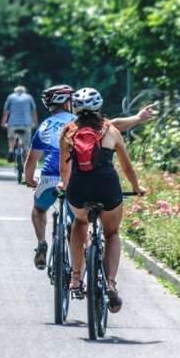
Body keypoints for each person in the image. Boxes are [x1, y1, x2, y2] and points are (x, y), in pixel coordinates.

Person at [25, 85, 154, 270]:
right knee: (80, 224)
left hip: (52, 179)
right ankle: (88, 263)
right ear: (68, 103)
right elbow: (114, 124)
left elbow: (32, 159)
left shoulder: (47, 126)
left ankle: (42, 242)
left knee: (39, 209)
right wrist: (138, 118)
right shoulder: (86, 124)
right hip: (84, 181)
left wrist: (30, 179)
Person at [58, 87, 145, 314]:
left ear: (74, 108)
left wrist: (65, 186)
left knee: (80, 223)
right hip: (107, 189)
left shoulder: (68, 131)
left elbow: (64, 169)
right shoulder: (111, 130)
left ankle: (76, 279)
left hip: (79, 189)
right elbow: (127, 167)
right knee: (112, 233)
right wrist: (136, 188)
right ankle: (110, 284)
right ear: (100, 107)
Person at [1, 85, 37, 161]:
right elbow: (33, 112)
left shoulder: (10, 97)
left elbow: (6, 112)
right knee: (26, 145)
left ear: (15, 91)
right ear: (24, 91)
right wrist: (35, 123)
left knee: (11, 138)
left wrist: (3, 123)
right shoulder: (29, 97)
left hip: (13, 123)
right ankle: (26, 161)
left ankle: (11, 151)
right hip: (26, 124)